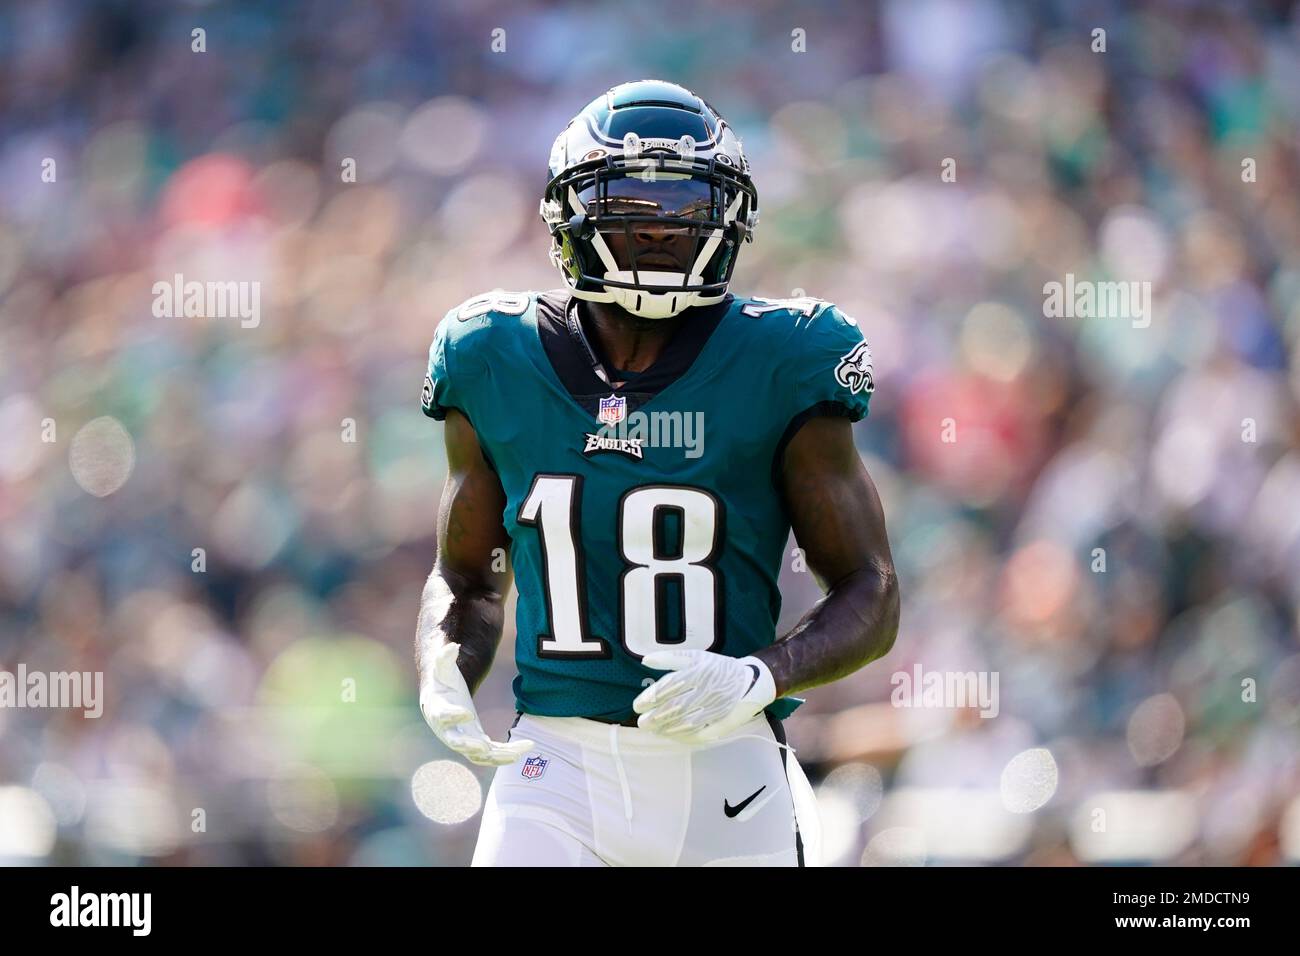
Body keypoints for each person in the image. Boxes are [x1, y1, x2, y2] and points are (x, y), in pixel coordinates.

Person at [414, 79, 899, 866]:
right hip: (553, 771)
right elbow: (465, 582)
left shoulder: (785, 360)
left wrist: (758, 676)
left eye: (687, 203)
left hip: (726, 770)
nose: (666, 227)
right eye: (634, 200)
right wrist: (443, 667)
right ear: (571, 210)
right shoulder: (487, 355)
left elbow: (871, 590)